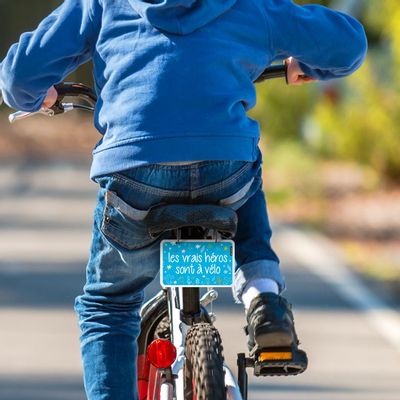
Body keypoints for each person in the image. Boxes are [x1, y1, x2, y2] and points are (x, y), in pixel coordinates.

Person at [0, 0, 367, 398]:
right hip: (224, 175)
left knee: (108, 306)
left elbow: (18, 77)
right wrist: (307, 64)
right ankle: (263, 295)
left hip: (135, 176)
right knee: (245, 171)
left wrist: (38, 96)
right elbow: (348, 44)